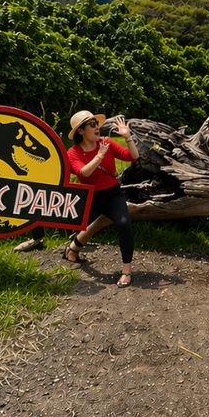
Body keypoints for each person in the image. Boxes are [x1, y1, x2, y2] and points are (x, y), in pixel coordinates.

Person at [63, 110, 139, 288]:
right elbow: (84, 173)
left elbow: (133, 157)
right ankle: (73, 247)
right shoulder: (73, 152)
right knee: (87, 226)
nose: (97, 127)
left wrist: (128, 137)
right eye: (91, 124)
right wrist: (100, 155)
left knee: (124, 223)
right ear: (81, 131)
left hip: (112, 194)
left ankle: (126, 271)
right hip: (90, 197)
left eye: (96, 124)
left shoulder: (107, 143)